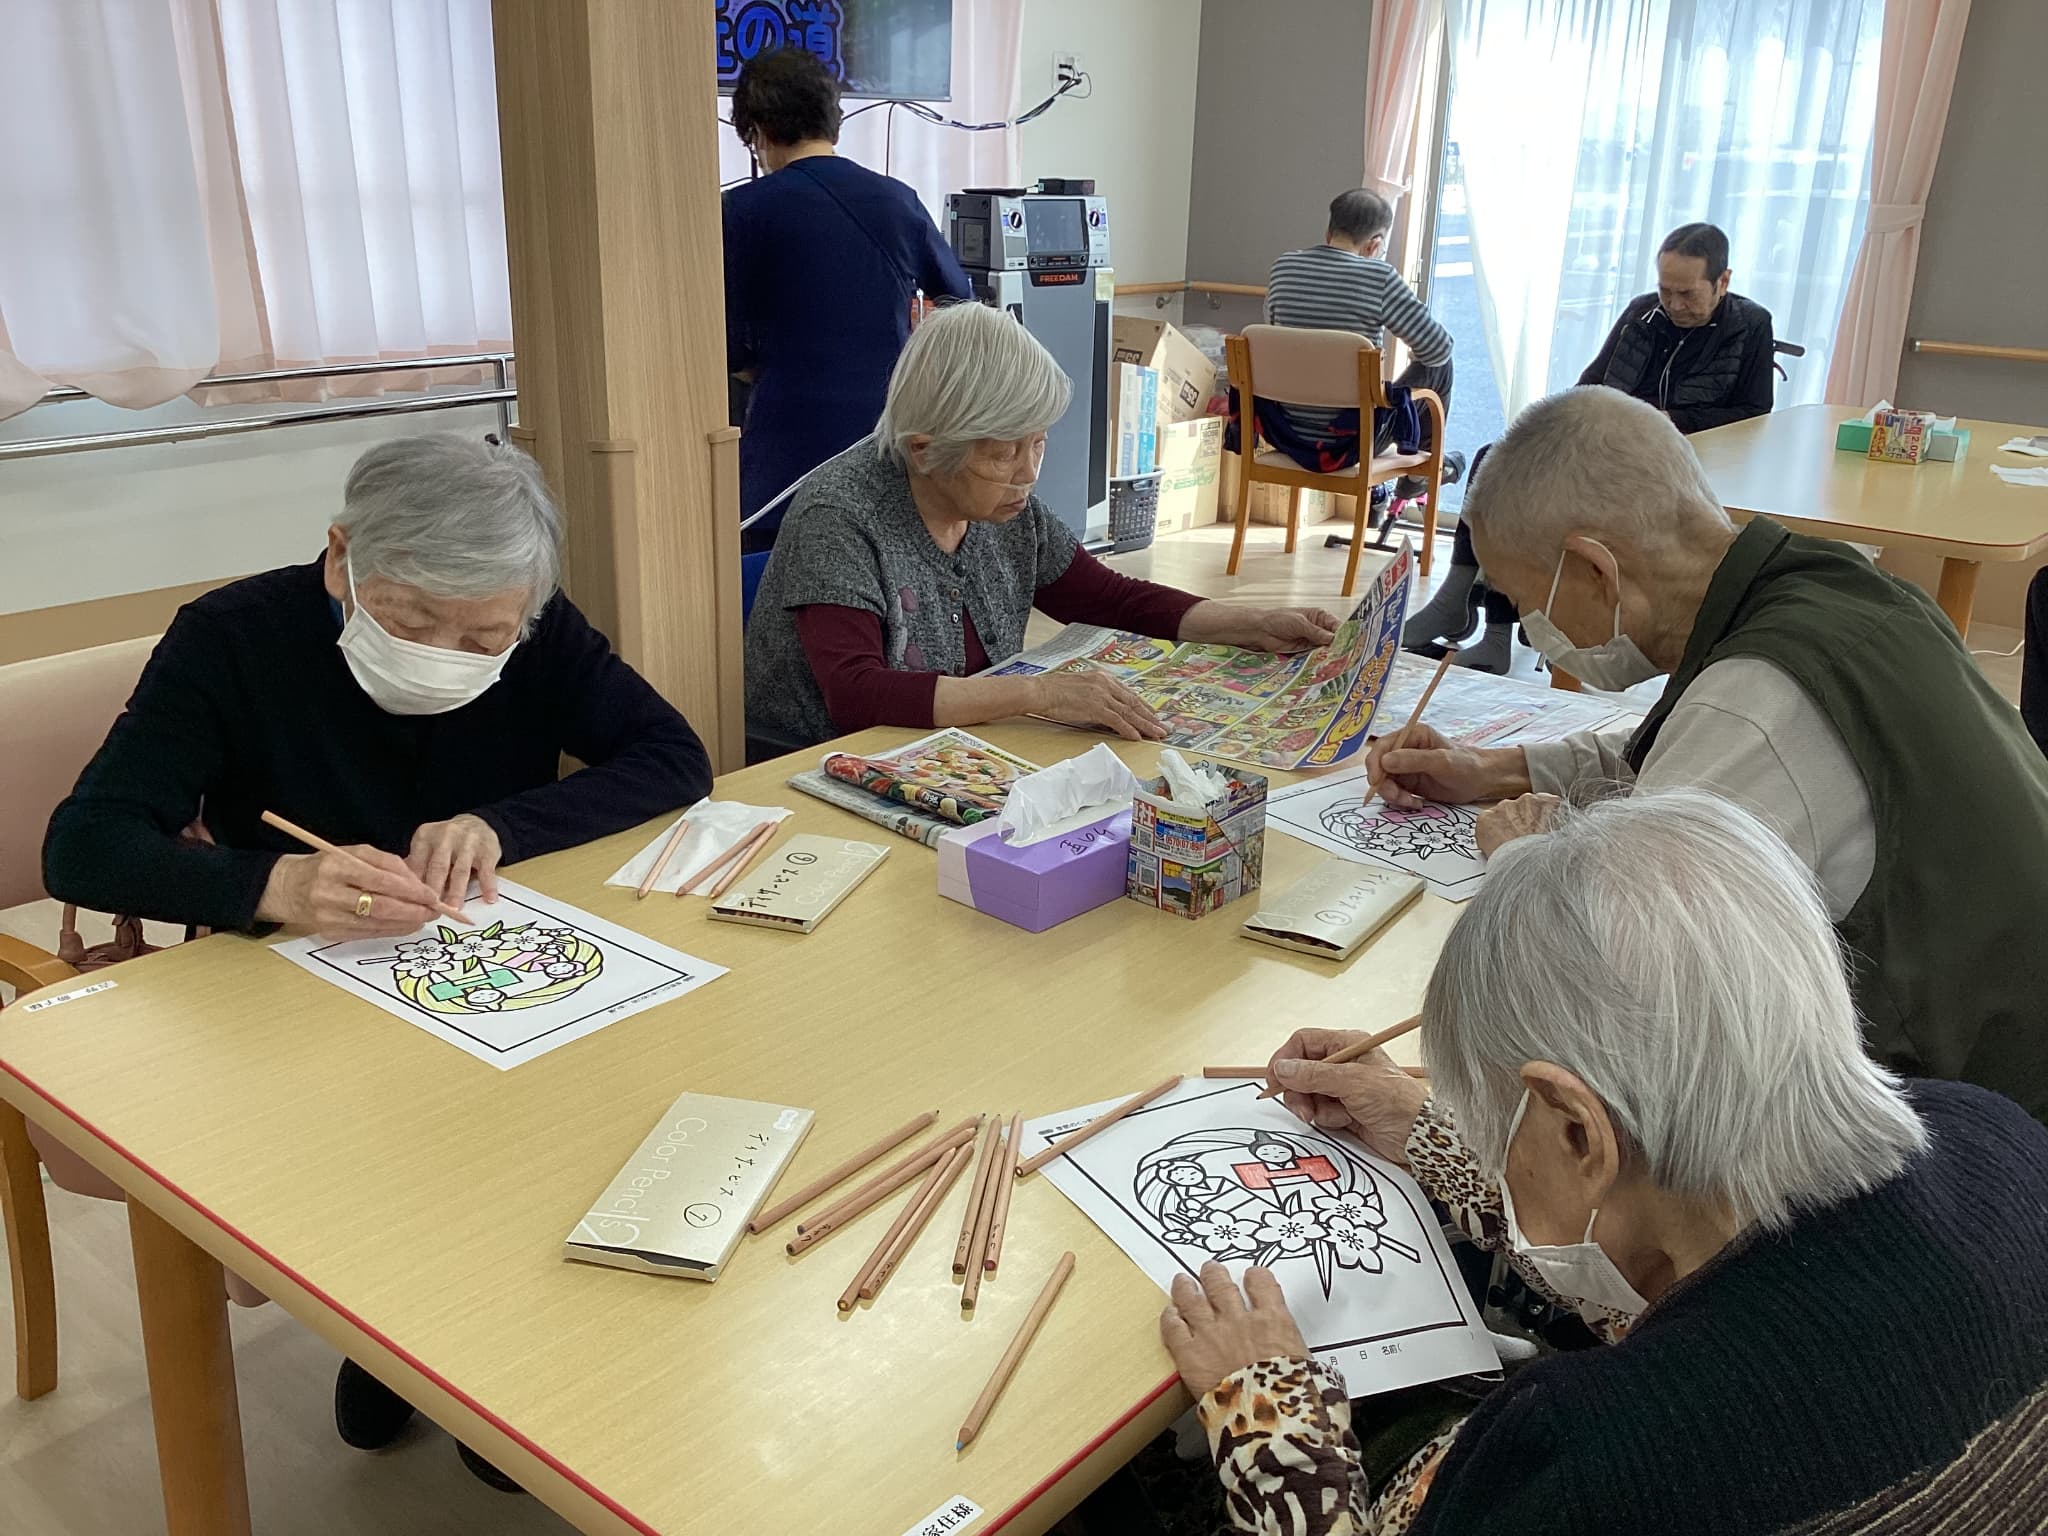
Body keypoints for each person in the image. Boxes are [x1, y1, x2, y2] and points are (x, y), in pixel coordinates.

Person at [42, 433, 712, 1482]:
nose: (448, 651)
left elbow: (673, 757)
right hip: (300, 1005)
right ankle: (388, 1336)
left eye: (481, 632)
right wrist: (273, 886)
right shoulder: (230, 639)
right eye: (408, 620)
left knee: (562, 1128)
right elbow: (86, 842)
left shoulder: (531, 622)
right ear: (340, 552)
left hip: (483, 974)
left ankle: (494, 1352)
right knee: (383, 1167)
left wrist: (498, 824)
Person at [1160, 790, 2048, 1535]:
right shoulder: (1995, 1138)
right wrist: (1429, 1132)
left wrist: (1266, 1416)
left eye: (1494, 1122)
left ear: (1579, 1133)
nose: (1488, 1147)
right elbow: (1719, 1278)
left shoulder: (1592, 1463)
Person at [1367, 387, 2048, 1122]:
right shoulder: (1821, 583)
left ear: (1597, 571)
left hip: (1985, 1133)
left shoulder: (1753, 703)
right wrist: (1491, 769)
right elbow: (1673, 747)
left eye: (1525, 601)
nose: (1533, 633)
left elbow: (1613, 990)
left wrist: (1523, 859)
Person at [744, 301, 1340, 757]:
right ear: (925, 451)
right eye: (1006, 453)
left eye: (1039, 443)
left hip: (951, 749)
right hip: (822, 763)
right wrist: (1042, 693)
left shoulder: (1000, 507)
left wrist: (1252, 623)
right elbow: (856, 695)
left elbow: (1110, 596)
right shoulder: (841, 517)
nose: (1030, 473)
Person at [1406, 222, 1774, 672]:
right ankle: (1472, 611)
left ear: (1723, 282)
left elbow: (1756, 414)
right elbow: (1588, 387)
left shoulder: (1751, 324)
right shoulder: (1642, 314)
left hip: (1682, 466)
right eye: (1665, 291)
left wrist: (1677, 422)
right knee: (1494, 459)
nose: (1674, 305)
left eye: (1688, 294)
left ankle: (1485, 620)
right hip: (1615, 453)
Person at [723, 46, 971, 550]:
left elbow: (727, 346)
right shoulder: (898, 200)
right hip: (886, 449)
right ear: (832, 121)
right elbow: (962, 308)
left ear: (758, 132)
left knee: (776, 590)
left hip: (784, 455)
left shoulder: (741, 211)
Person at [1264, 188, 1458, 491]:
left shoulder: (1283, 268)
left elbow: (1280, 340)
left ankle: (1418, 474)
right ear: (1374, 245)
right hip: (1351, 442)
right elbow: (1438, 347)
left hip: (1284, 431)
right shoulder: (1379, 277)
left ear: (1329, 232)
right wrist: (1417, 356)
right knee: (1442, 364)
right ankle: (1418, 475)